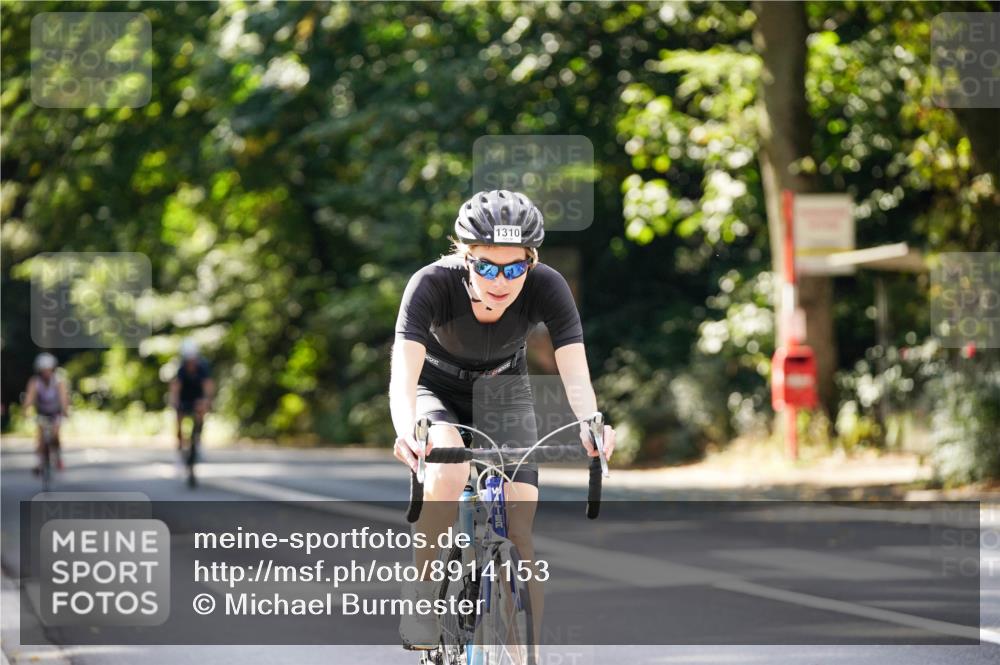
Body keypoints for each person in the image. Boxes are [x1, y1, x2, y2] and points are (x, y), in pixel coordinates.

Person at [390, 189, 616, 650]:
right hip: (436, 390)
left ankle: (523, 654)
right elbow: (403, 375)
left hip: (503, 391)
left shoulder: (547, 286)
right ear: (465, 256)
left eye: (514, 268)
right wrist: (405, 431)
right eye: (487, 266)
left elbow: (574, 368)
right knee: (450, 470)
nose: (501, 280)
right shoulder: (431, 284)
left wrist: (591, 423)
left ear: (531, 262)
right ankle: (423, 594)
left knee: (520, 530)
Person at [169, 338, 214, 482]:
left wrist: (207, 400)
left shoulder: (203, 366)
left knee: (201, 412)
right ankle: (179, 450)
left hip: (197, 397)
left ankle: (198, 442)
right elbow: (176, 387)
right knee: (178, 419)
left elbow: (208, 385)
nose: (191, 363)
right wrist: (175, 402)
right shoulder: (180, 368)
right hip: (184, 398)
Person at [23, 352, 70, 474]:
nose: (46, 372)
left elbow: (63, 398)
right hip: (42, 412)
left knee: (55, 435)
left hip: (55, 412)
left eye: (48, 369)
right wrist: (26, 411)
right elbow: (29, 399)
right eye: (43, 370)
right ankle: (39, 462)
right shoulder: (35, 382)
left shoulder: (58, 381)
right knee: (40, 437)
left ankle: (58, 456)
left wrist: (65, 411)